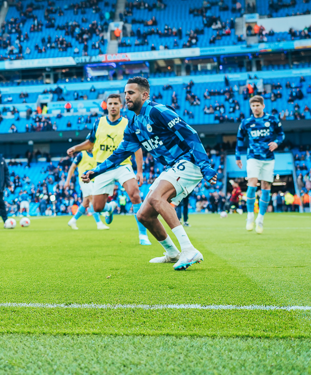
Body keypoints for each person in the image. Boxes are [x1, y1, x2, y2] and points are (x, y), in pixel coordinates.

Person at [82, 77, 217, 271]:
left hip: (189, 161)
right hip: (173, 167)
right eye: (125, 93)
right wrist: (96, 171)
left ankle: (189, 249)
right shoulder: (133, 123)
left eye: (131, 93)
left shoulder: (157, 111)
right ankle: (172, 253)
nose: (126, 97)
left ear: (145, 95)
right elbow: (120, 153)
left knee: (156, 198)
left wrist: (204, 165)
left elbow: (190, 134)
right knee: (143, 215)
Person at [66, 93, 150, 245]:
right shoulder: (99, 123)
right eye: (110, 103)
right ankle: (110, 208)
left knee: (135, 194)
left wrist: (139, 171)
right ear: (106, 105)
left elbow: (137, 148)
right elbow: (90, 143)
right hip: (102, 167)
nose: (113, 106)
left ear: (121, 106)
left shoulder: (128, 123)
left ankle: (143, 235)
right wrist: (76, 148)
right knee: (97, 208)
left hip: (122, 164)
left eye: (116, 104)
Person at [235, 95, 284, 234]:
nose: (255, 108)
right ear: (250, 107)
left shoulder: (272, 119)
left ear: (263, 106)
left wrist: (276, 143)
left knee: (266, 186)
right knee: (251, 184)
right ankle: (250, 216)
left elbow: (281, 134)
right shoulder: (246, 122)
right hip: (253, 157)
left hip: (268, 158)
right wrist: (238, 156)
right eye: (253, 106)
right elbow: (239, 139)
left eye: (257, 105)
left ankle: (260, 220)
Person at [64, 151, 106, 230]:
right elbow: (72, 167)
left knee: (86, 203)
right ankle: (99, 222)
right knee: (93, 201)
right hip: (84, 180)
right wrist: (67, 181)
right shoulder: (81, 154)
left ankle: (73, 220)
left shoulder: (96, 153)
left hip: (93, 181)